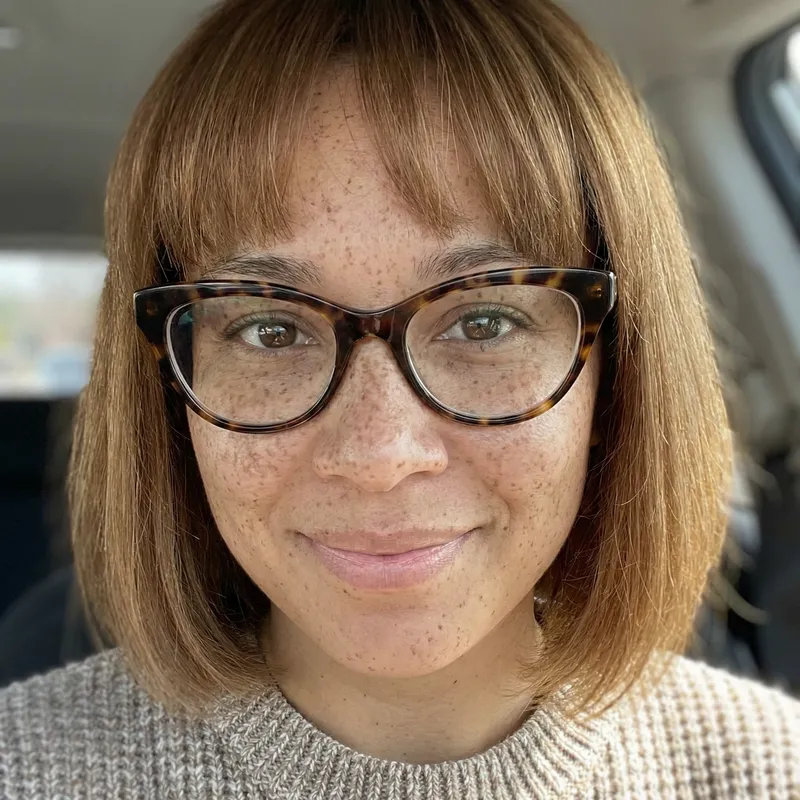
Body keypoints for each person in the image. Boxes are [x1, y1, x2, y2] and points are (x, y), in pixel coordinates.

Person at [1, 0, 798, 797]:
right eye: (270, 331)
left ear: (615, 371)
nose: (379, 455)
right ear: (170, 397)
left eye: (484, 322)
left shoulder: (768, 770)